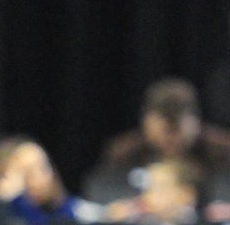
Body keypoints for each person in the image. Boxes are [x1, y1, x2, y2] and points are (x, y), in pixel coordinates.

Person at [83, 77, 230, 211]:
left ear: (196, 123)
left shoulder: (220, 152)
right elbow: (101, 197)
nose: (172, 141)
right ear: (147, 124)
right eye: (165, 132)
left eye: (177, 131)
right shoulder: (126, 154)